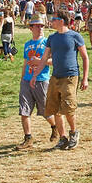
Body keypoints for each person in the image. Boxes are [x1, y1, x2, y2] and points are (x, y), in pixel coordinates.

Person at [29, 10, 89, 150]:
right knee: (55, 109)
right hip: (55, 77)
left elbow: (85, 57)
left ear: (61, 21)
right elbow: (44, 59)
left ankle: (74, 133)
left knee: (68, 108)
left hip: (70, 76)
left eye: (54, 19)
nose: (51, 21)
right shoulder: (52, 38)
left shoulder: (75, 36)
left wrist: (85, 79)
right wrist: (35, 75)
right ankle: (62, 138)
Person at [17, 15, 58, 150]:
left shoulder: (48, 43)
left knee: (46, 110)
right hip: (27, 80)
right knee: (24, 110)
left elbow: (54, 61)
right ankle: (28, 138)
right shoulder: (27, 44)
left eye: (42, 26)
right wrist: (22, 79)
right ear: (31, 28)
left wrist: (40, 61)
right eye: (37, 26)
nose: (40, 28)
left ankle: (54, 126)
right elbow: (24, 63)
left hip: (41, 80)